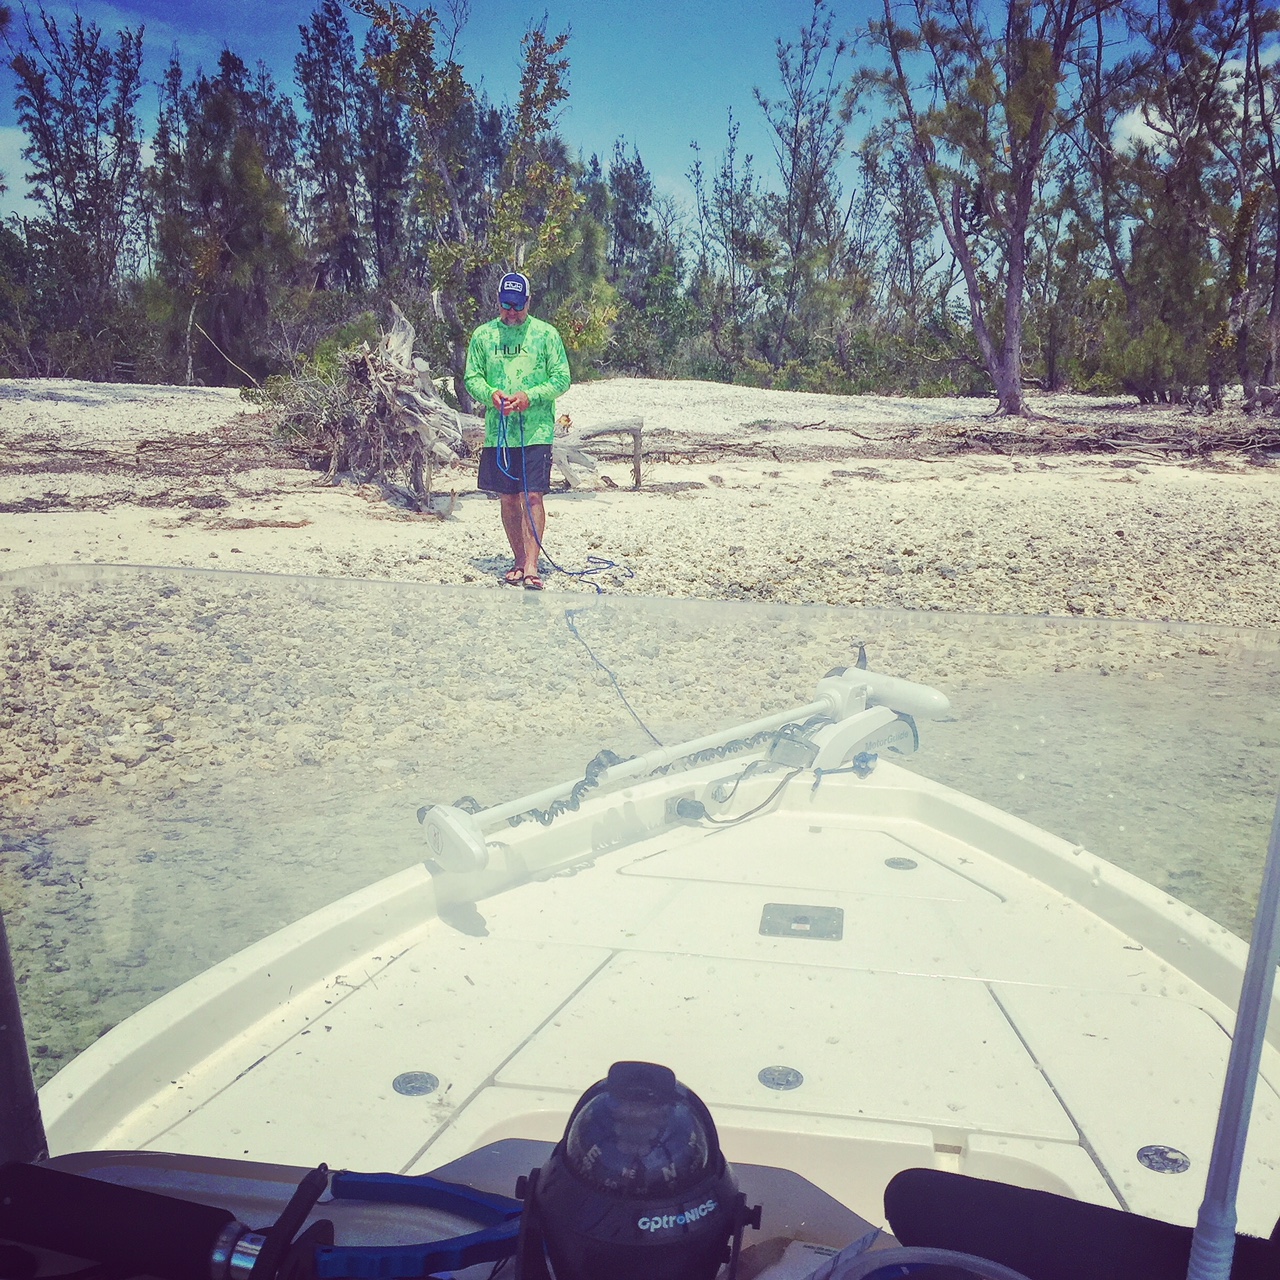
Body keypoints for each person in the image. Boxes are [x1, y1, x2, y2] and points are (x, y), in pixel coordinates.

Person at [464, 271, 571, 591]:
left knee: (532, 495)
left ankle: (532, 567)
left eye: (517, 305)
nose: (511, 311)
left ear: (528, 301)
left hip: (536, 430)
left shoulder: (546, 335)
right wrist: (490, 395)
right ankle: (518, 559)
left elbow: (562, 379)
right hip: (499, 432)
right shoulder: (483, 336)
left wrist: (530, 397)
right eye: (505, 304)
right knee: (509, 498)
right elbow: (472, 378)